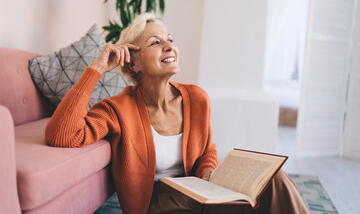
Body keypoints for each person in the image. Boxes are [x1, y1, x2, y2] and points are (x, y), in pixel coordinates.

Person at [45, 13, 309, 214]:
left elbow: (207, 151)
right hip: (158, 205)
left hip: (199, 196)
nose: (169, 46)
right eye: (156, 43)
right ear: (134, 63)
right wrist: (97, 69)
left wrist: (207, 174)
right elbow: (61, 135)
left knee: (275, 180)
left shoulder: (197, 98)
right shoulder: (117, 109)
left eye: (170, 40)